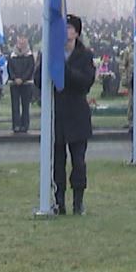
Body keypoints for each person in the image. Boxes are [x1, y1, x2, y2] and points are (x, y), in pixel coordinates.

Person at [52, 14, 97, 214]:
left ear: (76, 33)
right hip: (58, 116)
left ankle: (78, 202)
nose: (66, 31)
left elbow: (86, 82)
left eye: (69, 28)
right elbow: (38, 79)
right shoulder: (52, 53)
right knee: (58, 163)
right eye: (64, 27)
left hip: (77, 116)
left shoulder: (84, 55)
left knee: (78, 162)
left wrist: (66, 71)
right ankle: (59, 200)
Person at [7, 35, 35, 135]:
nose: (22, 43)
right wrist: (15, 78)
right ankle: (16, 125)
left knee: (25, 105)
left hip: (27, 83)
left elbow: (31, 68)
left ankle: (25, 125)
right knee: (15, 105)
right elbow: (9, 68)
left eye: (24, 40)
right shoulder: (12, 55)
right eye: (20, 40)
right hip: (14, 84)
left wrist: (22, 79)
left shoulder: (30, 55)